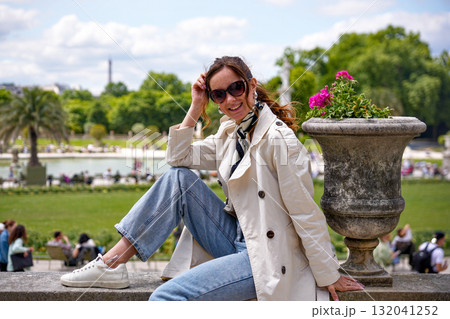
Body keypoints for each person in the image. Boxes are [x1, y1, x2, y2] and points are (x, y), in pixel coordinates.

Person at [60, 56, 364, 300]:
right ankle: (111, 265)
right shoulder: (229, 134)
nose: (229, 100)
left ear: (251, 85)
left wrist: (329, 274)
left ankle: (110, 266)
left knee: (166, 298)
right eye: (219, 95)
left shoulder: (279, 140)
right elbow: (177, 158)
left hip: (264, 256)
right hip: (233, 237)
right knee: (178, 179)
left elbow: (304, 211)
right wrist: (195, 106)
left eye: (235, 88)